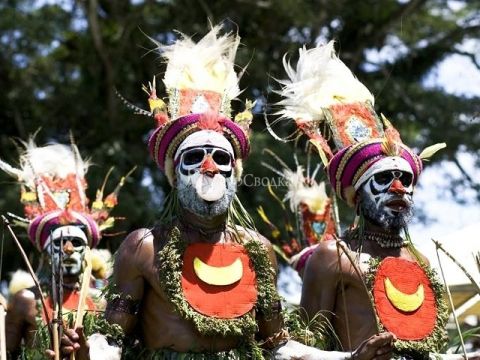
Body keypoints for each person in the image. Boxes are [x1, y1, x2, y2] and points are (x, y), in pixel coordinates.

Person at [55, 25, 396, 360]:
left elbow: (278, 347)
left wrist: (350, 357)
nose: (209, 167)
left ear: (235, 172)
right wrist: (90, 350)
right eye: (194, 157)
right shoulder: (143, 247)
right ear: (175, 175)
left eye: (221, 158)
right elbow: (113, 341)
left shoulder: (257, 250)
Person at [276, 40, 480, 359]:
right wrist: (352, 358)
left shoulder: (419, 260)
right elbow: (292, 349)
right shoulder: (332, 256)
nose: (399, 188)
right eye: (383, 179)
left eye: (407, 180)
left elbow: (424, 352)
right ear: (357, 193)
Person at [0, 139, 124, 359]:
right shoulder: (25, 300)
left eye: (77, 243)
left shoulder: (101, 303)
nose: (68, 249)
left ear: (87, 251)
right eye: (59, 243)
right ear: (46, 254)